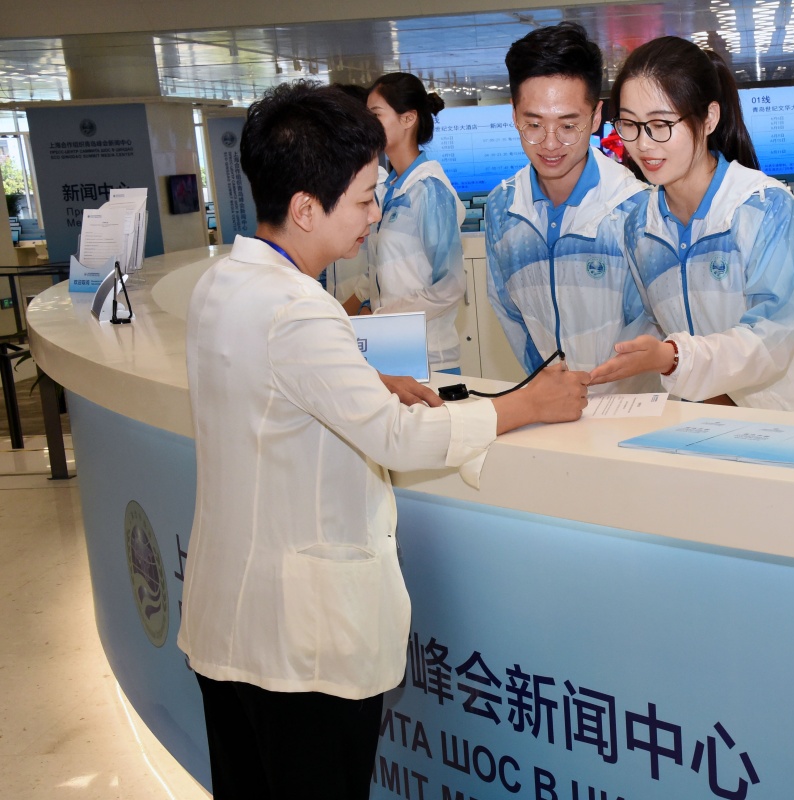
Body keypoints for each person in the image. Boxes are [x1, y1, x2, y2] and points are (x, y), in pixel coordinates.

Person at [177, 80, 589, 799]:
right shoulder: (299, 310)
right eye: (365, 199)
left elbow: (272, 388)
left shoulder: (225, 283)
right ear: (305, 209)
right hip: (298, 651)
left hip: (226, 629)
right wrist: (522, 405)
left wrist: (361, 380)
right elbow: (397, 438)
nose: (374, 215)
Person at [590, 37, 794, 416]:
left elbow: (772, 338)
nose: (643, 143)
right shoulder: (640, 227)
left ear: (709, 118)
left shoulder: (763, 207)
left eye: (660, 124)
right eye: (629, 124)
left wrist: (673, 357)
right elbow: (658, 327)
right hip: (729, 422)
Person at [485, 22, 659, 393]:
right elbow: (509, 312)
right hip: (549, 405)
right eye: (534, 124)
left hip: (630, 408)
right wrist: (548, 386)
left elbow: (649, 323)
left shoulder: (634, 208)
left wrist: (597, 392)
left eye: (568, 126)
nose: (550, 143)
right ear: (514, 115)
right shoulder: (503, 208)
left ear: (595, 117)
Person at [341, 72, 467, 374]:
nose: (368, 125)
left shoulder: (428, 189)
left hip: (430, 357)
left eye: (376, 115)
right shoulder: (391, 189)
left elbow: (450, 285)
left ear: (408, 118)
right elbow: (387, 273)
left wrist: (382, 316)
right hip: (392, 349)